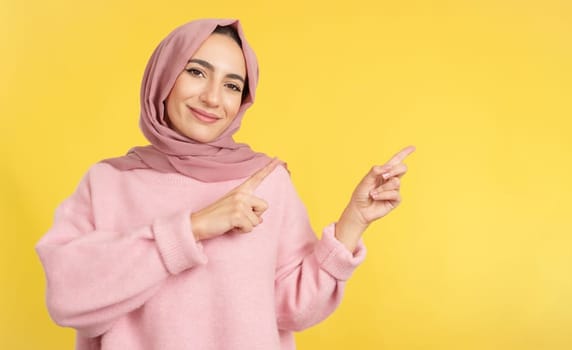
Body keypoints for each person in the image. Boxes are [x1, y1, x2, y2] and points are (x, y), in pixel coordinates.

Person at [35, 18, 414, 349]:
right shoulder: (108, 182)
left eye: (232, 86)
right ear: (164, 76)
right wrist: (193, 228)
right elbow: (70, 299)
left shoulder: (266, 181)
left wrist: (353, 222)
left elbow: (293, 309)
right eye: (196, 72)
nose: (213, 98)